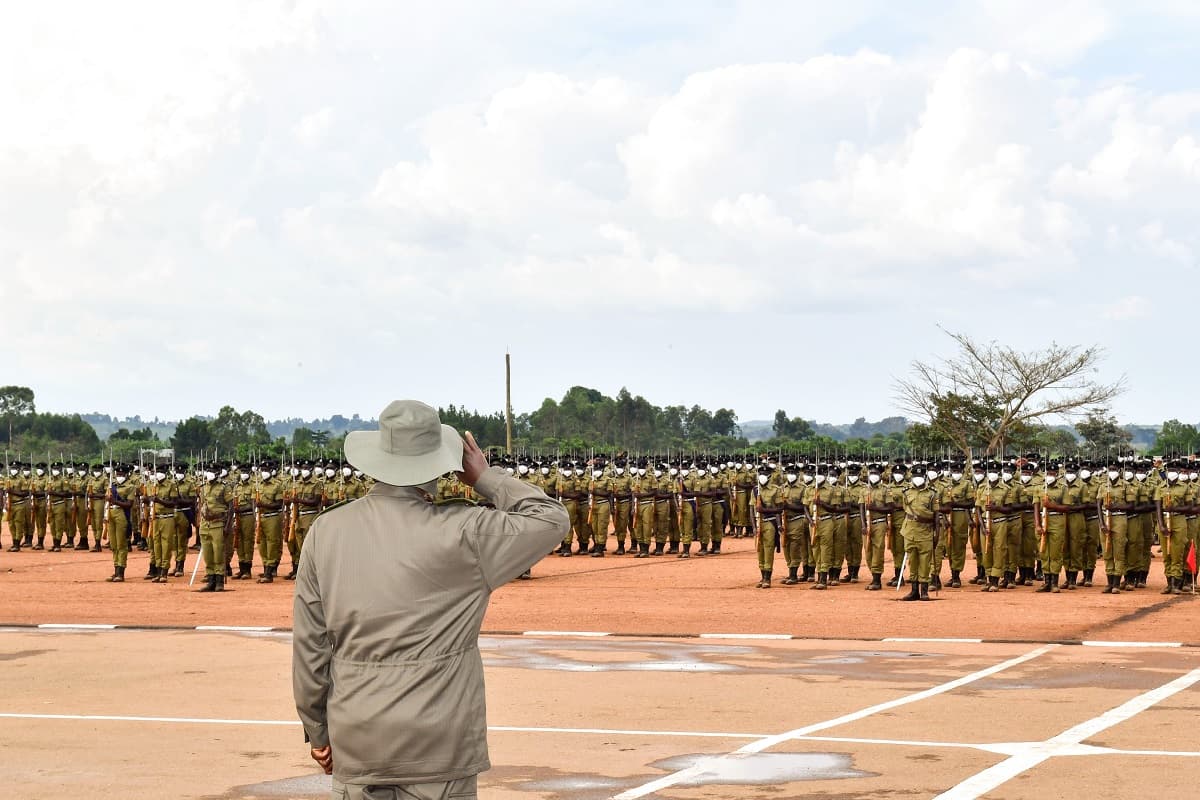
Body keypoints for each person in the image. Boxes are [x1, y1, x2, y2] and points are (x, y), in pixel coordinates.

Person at [292, 400, 569, 800]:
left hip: (358, 733)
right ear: (443, 461)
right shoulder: (466, 531)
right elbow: (550, 519)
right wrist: (486, 478)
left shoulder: (327, 531)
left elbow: (310, 647)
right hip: (439, 743)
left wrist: (318, 730)